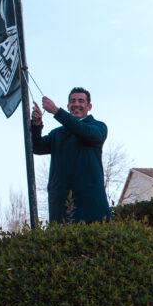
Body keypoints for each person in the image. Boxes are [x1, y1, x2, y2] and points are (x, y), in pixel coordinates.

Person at [31, 87, 110, 224]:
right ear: (68, 106)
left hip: (92, 207)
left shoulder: (98, 127)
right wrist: (36, 125)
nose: (76, 104)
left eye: (81, 101)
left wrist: (56, 111)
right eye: (73, 101)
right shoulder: (57, 133)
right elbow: (36, 147)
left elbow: (83, 131)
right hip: (60, 207)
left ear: (89, 106)